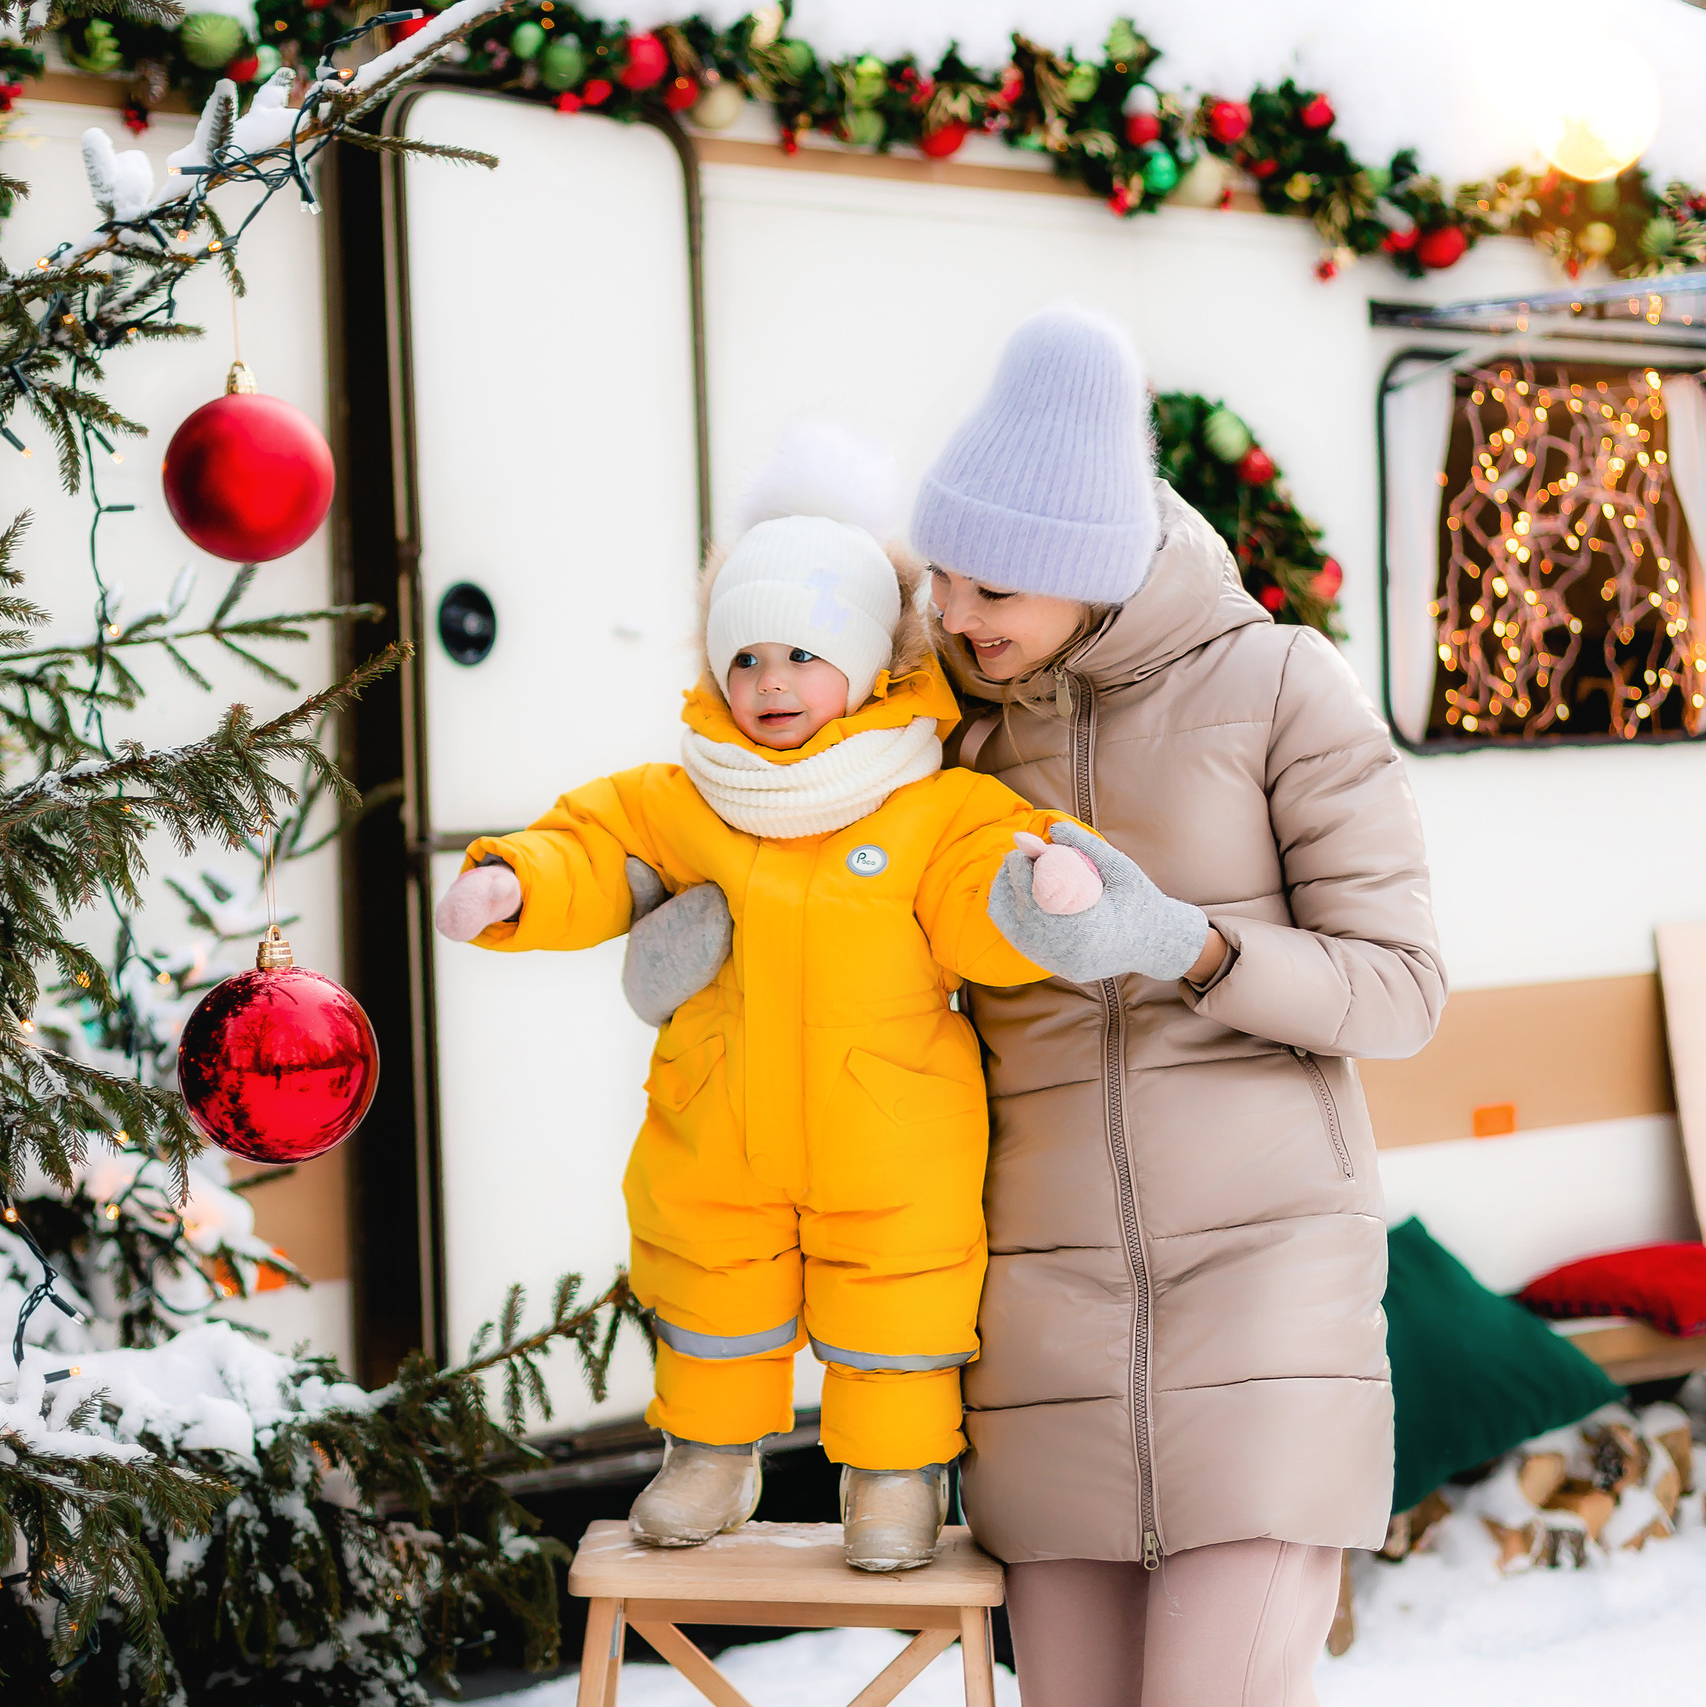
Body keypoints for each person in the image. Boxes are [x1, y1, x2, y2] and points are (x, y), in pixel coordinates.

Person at [630, 311, 1446, 1700]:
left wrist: (1185, 943)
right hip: (1034, 1300)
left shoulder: (1278, 687)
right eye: (943, 573)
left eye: (992, 583)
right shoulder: (936, 725)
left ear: (1086, 568)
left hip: (1264, 1293)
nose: (952, 611)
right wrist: (681, 923)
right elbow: (783, 838)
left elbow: (1401, 990)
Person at [431, 426, 1196, 1572]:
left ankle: (891, 1479)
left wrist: (1046, 884)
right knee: (707, 1284)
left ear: (865, 661)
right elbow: (591, 848)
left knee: (897, 1308)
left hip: (886, 1135)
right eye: (743, 659)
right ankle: (711, 1456)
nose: (770, 683)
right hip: (716, 1124)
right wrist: (513, 883)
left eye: (800, 653)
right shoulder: (683, 795)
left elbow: (978, 899)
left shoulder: (925, 806)